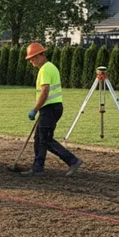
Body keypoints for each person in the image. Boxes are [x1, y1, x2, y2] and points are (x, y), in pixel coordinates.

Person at [24, 42, 83, 176]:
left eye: (33, 58)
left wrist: (35, 109)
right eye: (30, 58)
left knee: (46, 139)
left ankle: (72, 160)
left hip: (50, 108)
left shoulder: (45, 69)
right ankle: (37, 168)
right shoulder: (49, 68)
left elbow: (45, 92)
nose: (31, 61)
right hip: (51, 108)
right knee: (39, 138)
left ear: (41, 55)